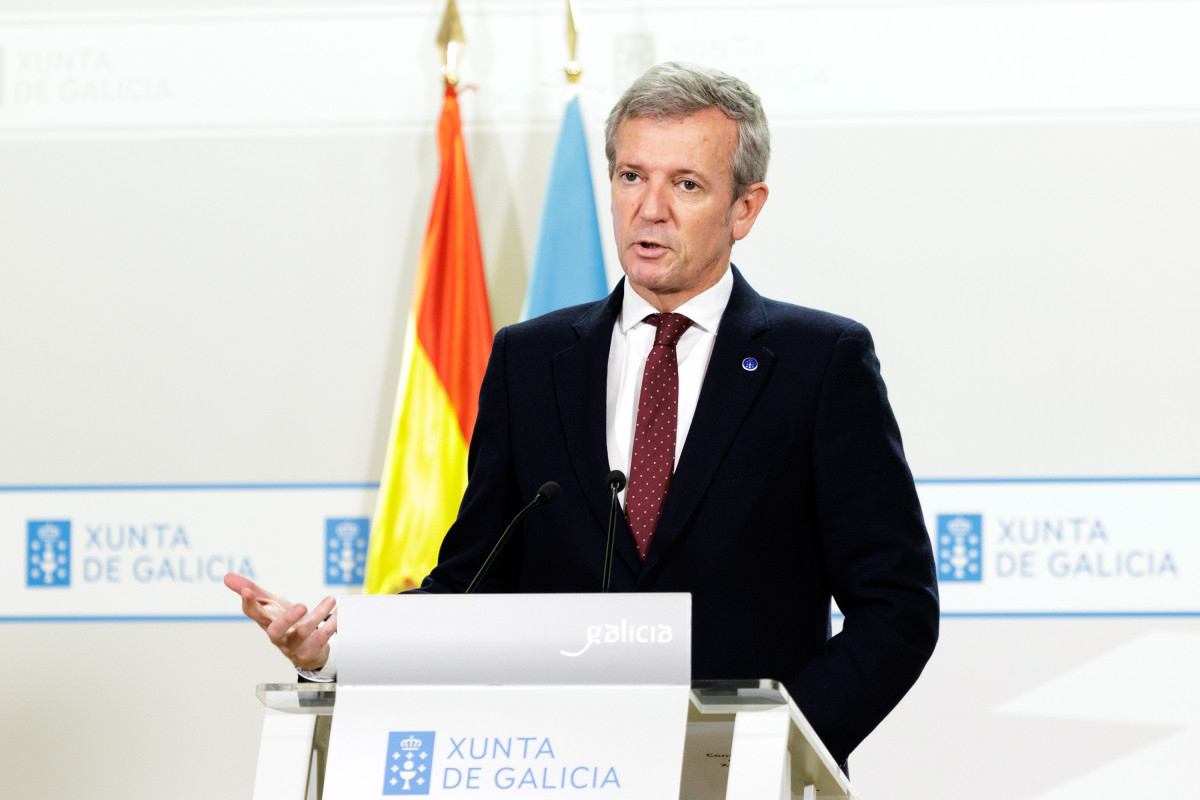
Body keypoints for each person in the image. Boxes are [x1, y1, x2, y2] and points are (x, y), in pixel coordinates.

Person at [227, 61, 939, 766]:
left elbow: (897, 607)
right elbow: (472, 585)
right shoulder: (530, 362)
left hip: (743, 778)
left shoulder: (819, 363)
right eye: (632, 176)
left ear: (744, 208)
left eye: (685, 184)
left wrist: (777, 742)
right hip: (564, 768)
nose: (649, 209)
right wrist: (337, 653)